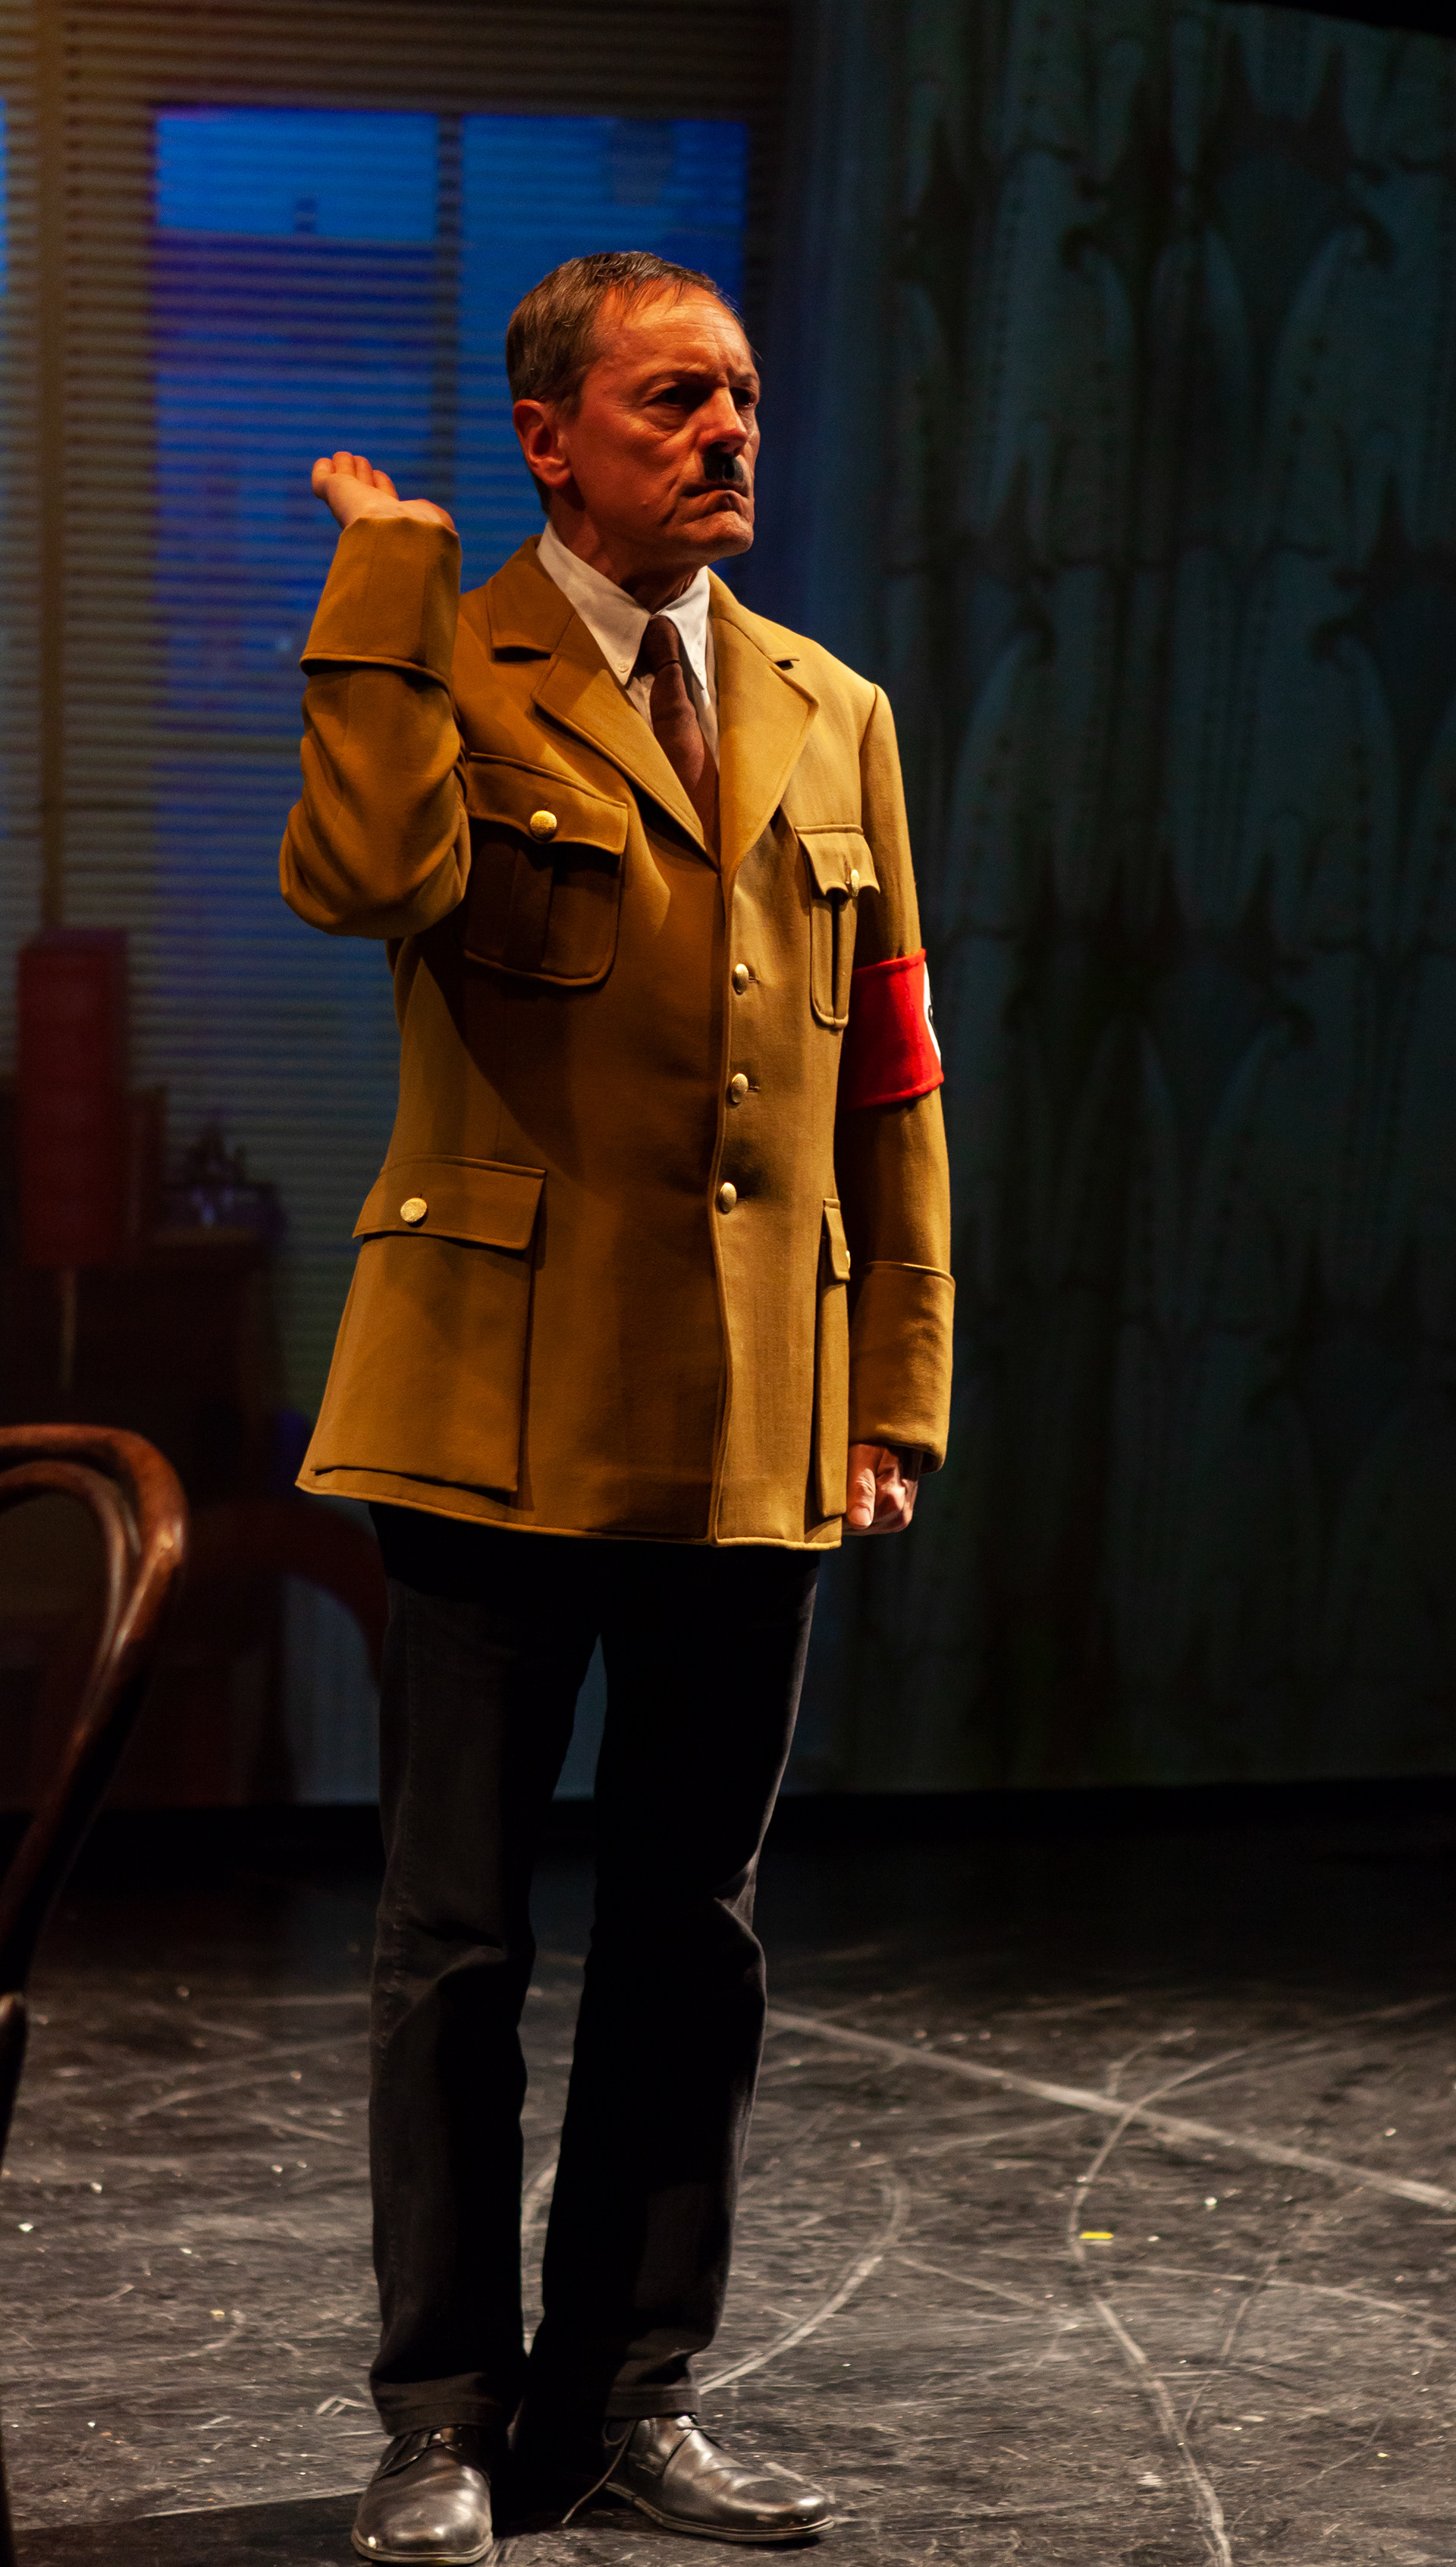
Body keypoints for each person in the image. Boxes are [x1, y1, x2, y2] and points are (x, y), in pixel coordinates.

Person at [280, 250, 952, 2562]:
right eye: (674, 399)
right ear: (550, 436)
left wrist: (896, 1383)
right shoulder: (445, 660)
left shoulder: (831, 706)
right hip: (494, 1405)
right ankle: (444, 2421)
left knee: (696, 1937)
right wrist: (385, 584)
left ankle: (627, 2405)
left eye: (740, 394)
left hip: (755, 1421)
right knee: (457, 1944)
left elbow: (892, 1076)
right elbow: (360, 875)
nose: (727, 432)